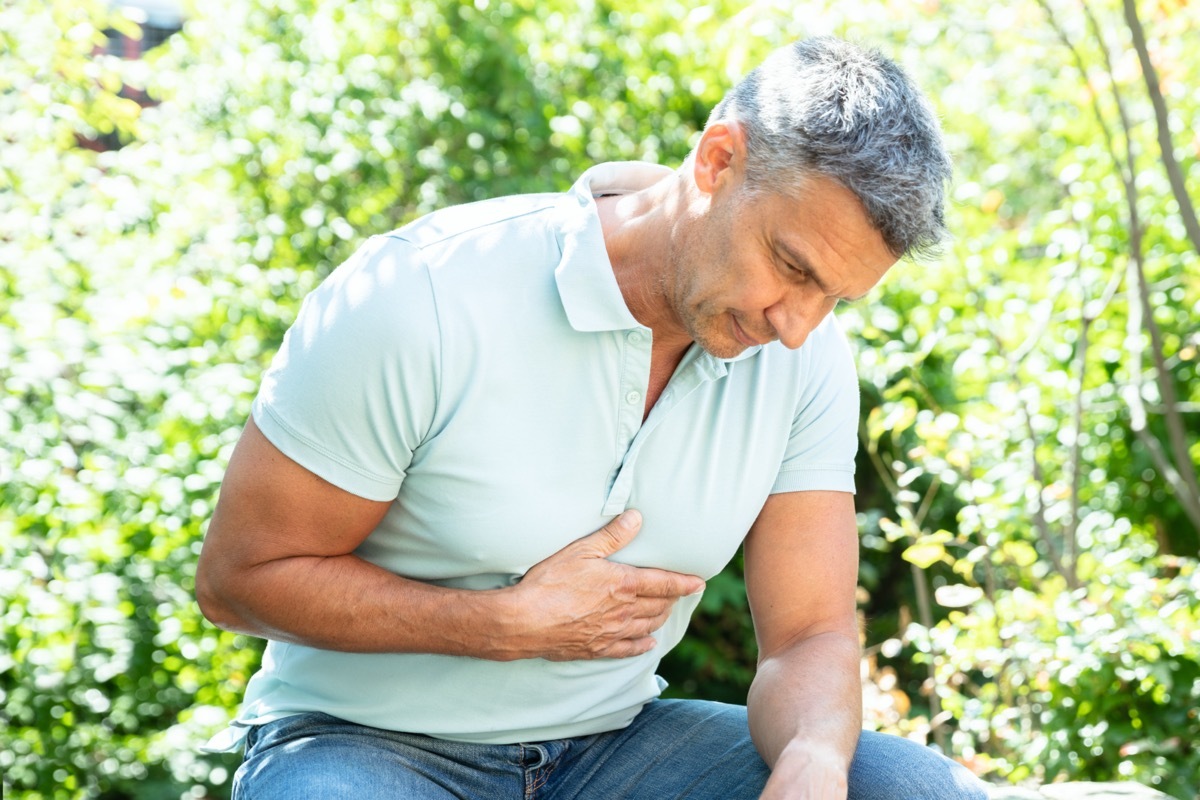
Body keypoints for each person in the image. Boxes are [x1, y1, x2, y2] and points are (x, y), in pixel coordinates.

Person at [196, 36, 988, 799]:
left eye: (835, 297)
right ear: (718, 160)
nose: (798, 325)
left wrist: (813, 761)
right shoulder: (421, 296)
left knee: (914, 790)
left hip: (614, 748)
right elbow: (239, 580)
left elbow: (810, 633)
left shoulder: (804, 356)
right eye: (791, 267)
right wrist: (498, 625)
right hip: (361, 741)